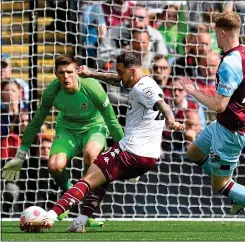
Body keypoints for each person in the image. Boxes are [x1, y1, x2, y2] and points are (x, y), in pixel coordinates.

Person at [21, 52, 183, 232]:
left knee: (87, 180)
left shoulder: (143, 88)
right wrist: (92, 74)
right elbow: (116, 80)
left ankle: (50, 216)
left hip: (130, 151)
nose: (119, 75)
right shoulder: (141, 81)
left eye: (121, 72)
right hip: (149, 158)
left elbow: (162, 104)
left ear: (133, 70)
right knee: (102, 178)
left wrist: (171, 120)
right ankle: (80, 222)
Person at [2, 54, 124, 228]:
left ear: (76, 72)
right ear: (55, 73)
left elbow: (112, 121)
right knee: (54, 165)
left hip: (94, 126)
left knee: (90, 155)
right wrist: (20, 156)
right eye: (61, 73)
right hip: (67, 129)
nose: (65, 77)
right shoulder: (52, 91)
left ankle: (86, 212)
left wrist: (125, 151)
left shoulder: (92, 86)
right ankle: (68, 194)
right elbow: (35, 123)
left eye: (69, 72)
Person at [178, 11, 245, 231]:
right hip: (227, 122)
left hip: (231, 129)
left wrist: (193, 91)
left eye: (214, 35)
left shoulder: (229, 63)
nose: (214, 39)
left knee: (220, 184)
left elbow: (219, 104)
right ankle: (234, 191)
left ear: (222, 33)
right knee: (194, 152)